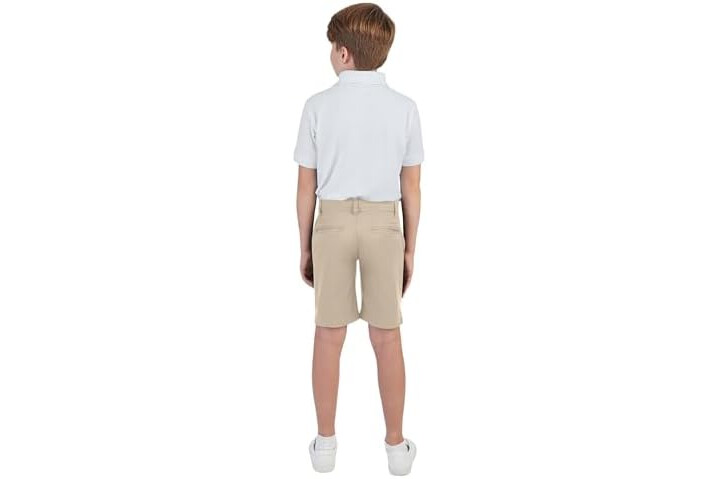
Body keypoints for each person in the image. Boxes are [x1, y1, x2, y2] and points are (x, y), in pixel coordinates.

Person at [294, 3, 423, 475]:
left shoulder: (317, 106)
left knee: (329, 334)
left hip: (330, 221)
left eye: (333, 46)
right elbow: (411, 186)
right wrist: (408, 247)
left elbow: (305, 186)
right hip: (383, 223)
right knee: (387, 337)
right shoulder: (405, 108)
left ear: (344, 53)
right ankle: (396, 448)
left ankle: (325, 446)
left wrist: (305, 245)